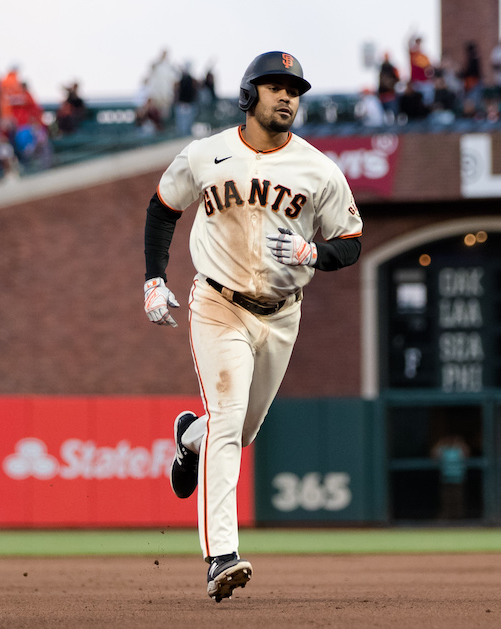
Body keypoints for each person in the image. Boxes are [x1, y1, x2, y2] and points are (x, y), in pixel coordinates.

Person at [142, 51, 363, 602]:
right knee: (230, 419)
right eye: (276, 86)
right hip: (219, 304)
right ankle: (222, 555)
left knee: (233, 433)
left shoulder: (318, 169)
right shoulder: (207, 154)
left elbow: (353, 242)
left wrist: (316, 251)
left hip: (282, 315)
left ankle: (189, 439)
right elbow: (163, 206)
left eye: (295, 89)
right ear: (249, 96)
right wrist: (153, 279)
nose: (288, 96)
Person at [431, 434, 470, 519]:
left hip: (458, 478)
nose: (451, 441)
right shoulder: (444, 450)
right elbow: (434, 456)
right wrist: (440, 443)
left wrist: (459, 442)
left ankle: (459, 516)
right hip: (446, 477)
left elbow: (466, 454)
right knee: (446, 498)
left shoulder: (459, 449)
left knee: (458, 498)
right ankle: (447, 515)